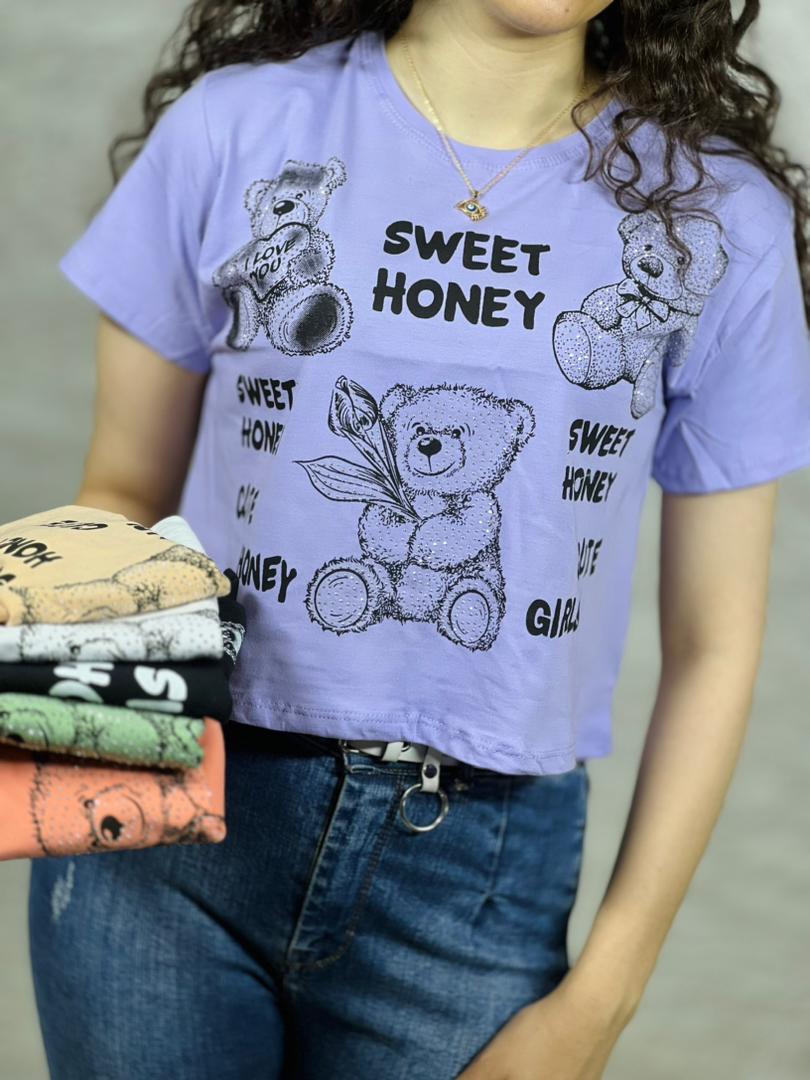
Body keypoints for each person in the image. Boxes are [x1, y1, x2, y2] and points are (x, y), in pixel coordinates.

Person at [27, 1, 810, 1077]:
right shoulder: (235, 128)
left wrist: (604, 1000)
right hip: (168, 821)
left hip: (475, 878)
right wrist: (64, 762)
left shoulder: (717, 219)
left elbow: (716, 644)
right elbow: (120, 493)